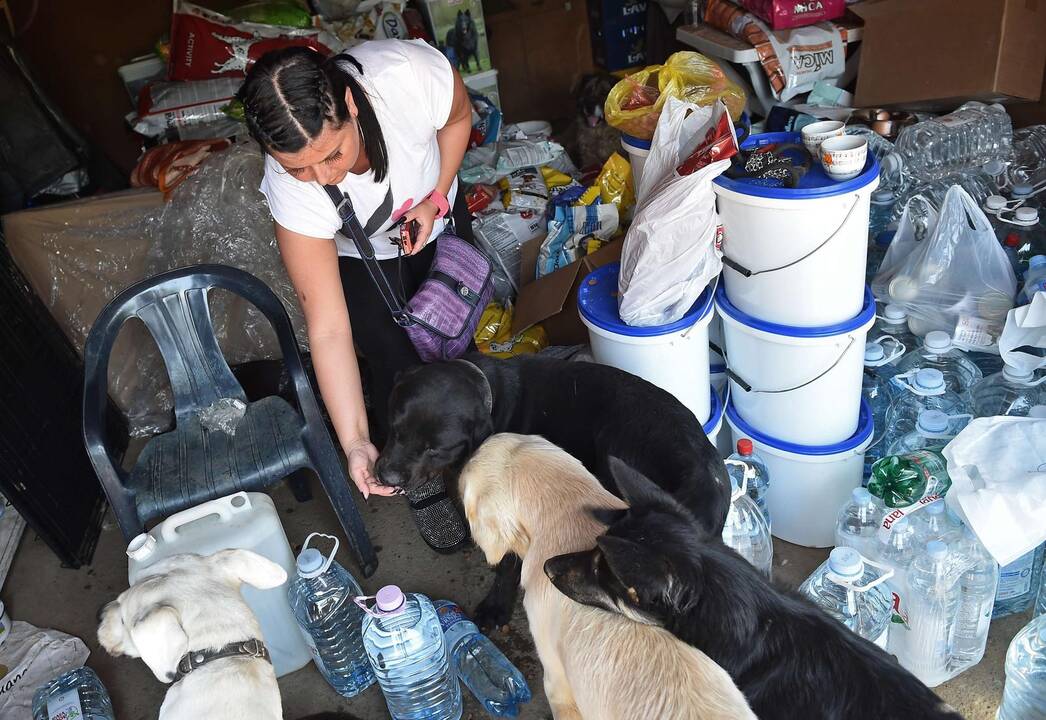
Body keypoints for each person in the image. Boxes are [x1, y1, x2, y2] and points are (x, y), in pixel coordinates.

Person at [239, 41, 473, 521]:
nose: (320, 177)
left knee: (460, 339)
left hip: (436, 217)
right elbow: (327, 329)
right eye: (296, 167)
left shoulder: (407, 76)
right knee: (396, 367)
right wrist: (356, 442)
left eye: (332, 155)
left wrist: (436, 199)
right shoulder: (292, 190)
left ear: (349, 105)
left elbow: (457, 119)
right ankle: (419, 475)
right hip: (364, 261)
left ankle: (478, 460)